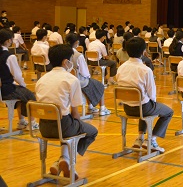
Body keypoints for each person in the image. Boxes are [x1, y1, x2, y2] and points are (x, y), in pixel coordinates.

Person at [35, 44, 98, 179]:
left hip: (43, 127)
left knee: (69, 126)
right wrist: (79, 125)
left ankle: (62, 160)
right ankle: (67, 160)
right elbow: (75, 113)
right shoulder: (71, 79)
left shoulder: (41, 80)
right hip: (63, 125)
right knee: (91, 131)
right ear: (66, 62)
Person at [116, 37, 174, 152]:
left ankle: (140, 137)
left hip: (127, 108)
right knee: (168, 112)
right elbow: (152, 94)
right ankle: (151, 139)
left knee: (144, 103)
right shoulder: (146, 70)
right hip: (143, 107)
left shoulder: (121, 68)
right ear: (144, 52)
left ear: (127, 51)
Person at [0, 29, 38, 130]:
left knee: (21, 94)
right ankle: (32, 123)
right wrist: (23, 85)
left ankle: (22, 121)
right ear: (8, 41)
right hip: (6, 90)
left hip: (2, 88)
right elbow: (17, 75)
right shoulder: (9, 57)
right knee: (29, 94)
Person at [66, 33, 111, 116]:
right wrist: (89, 78)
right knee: (99, 85)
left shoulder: (63, 53)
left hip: (67, 79)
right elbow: (85, 72)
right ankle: (102, 108)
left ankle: (90, 106)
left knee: (90, 84)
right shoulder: (78, 55)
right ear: (76, 43)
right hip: (78, 81)